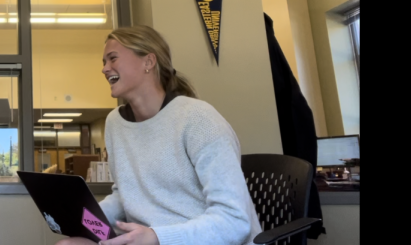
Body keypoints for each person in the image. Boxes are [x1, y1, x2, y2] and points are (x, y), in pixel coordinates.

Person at [56, 26, 261, 245]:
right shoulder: (115, 123)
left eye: (112, 59)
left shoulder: (198, 119)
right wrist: (86, 220)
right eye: (103, 63)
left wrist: (157, 237)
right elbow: (125, 195)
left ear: (148, 62)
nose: (105, 69)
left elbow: (235, 220)